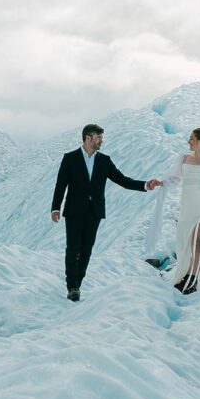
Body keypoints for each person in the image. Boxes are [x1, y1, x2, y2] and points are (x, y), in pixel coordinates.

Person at [51, 124, 157, 302]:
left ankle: (78, 283)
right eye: (98, 137)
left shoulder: (104, 160)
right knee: (73, 249)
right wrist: (55, 208)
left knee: (86, 250)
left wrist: (145, 185)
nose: (101, 141)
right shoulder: (70, 158)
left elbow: (122, 180)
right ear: (88, 138)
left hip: (95, 212)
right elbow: (61, 184)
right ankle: (72, 287)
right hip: (74, 211)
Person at [145, 128, 200, 294]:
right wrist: (160, 182)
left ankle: (192, 279)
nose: (188, 142)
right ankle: (185, 275)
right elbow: (174, 179)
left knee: (197, 244)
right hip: (187, 208)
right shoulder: (184, 159)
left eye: (191, 139)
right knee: (185, 244)